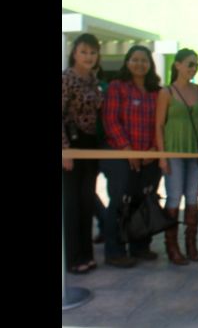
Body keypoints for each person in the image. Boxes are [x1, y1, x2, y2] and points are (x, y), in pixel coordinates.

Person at [101, 45, 163, 268]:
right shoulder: (117, 87)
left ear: (150, 64)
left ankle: (140, 246)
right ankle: (115, 250)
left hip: (150, 158)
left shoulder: (156, 91)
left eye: (144, 60)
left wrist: (154, 150)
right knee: (119, 203)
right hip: (120, 156)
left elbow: (160, 123)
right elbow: (111, 121)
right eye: (135, 59)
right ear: (127, 62)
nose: (139, 64)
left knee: (143, 202)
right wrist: (128, 151)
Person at [155, 48, 198, 265]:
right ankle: (172, 246)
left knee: (193, 197)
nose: (193, 68)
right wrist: (162, 156)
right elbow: (158, 125)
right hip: (174, 151)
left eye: (196, 65)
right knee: (174, 197)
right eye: (189, 64)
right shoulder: (166, 91)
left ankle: (191, 244)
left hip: (195, 151)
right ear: (177, 65)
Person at [62, 33, 104, 274]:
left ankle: (86, 254)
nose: (88, 57)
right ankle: (72, 257)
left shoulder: (93, 80)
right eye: (83, 52)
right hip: (71, 143)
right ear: (74, 53)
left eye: (92, 52)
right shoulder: (66, 78)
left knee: (87, 200)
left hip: (90, 143)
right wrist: (65, 150)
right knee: (72, 203)